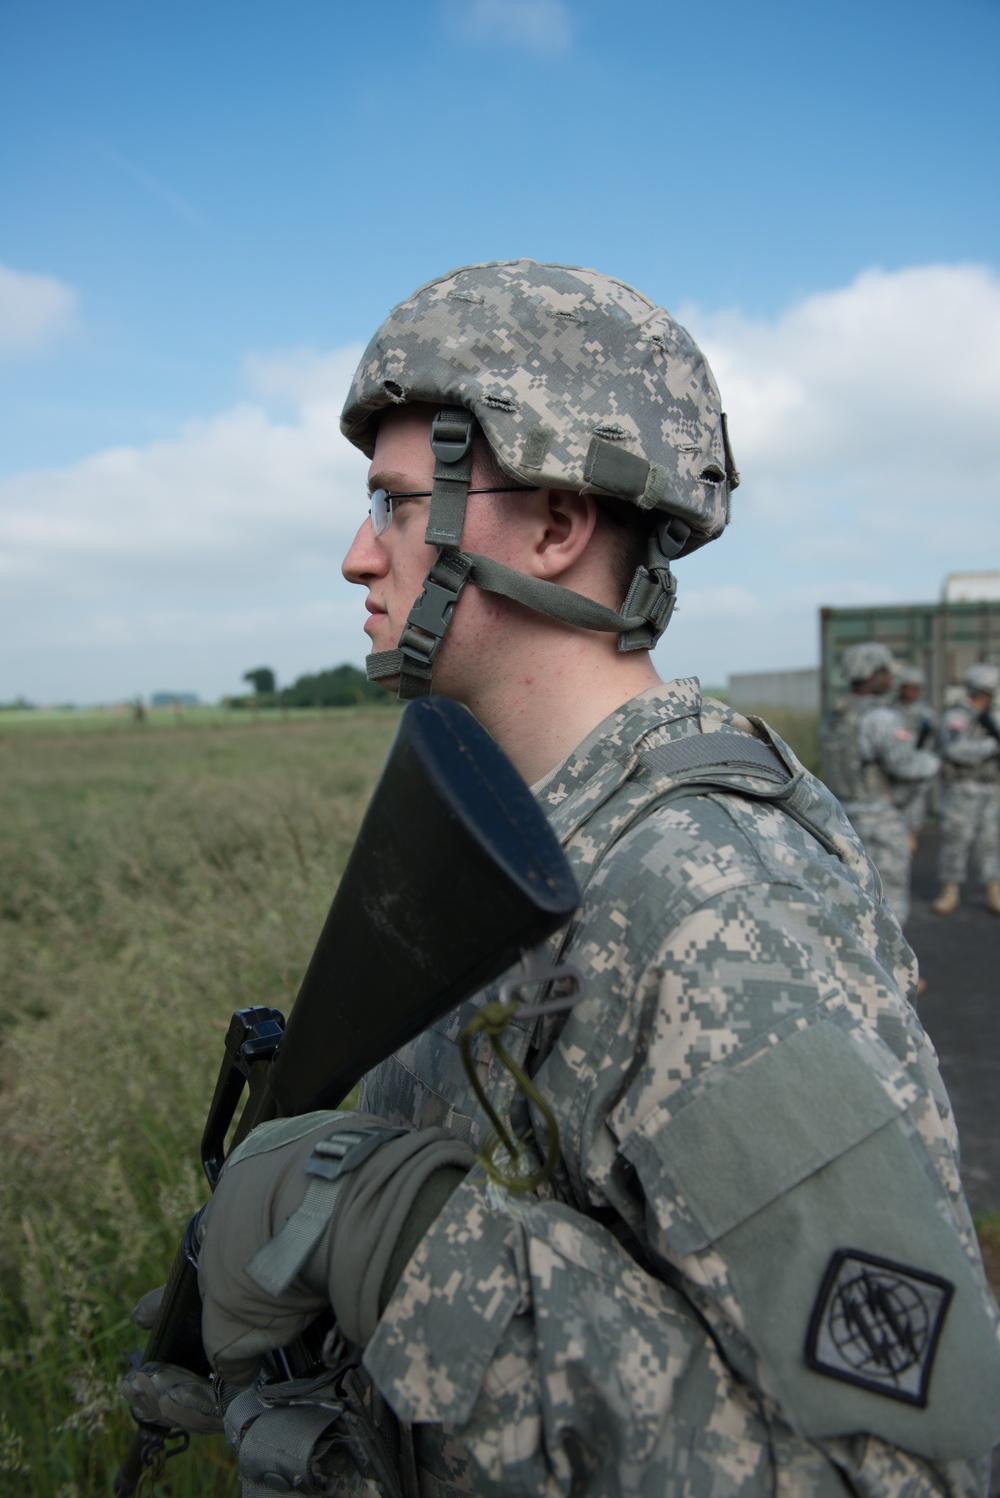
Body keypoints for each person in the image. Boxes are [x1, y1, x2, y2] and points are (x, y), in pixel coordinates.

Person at [122, 261, 1000, 1495]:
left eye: (392, 504)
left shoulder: (708, 901)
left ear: (553, 525)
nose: (354, 558)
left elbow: (907, 1477)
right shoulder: (529, 831)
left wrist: (393, 1239)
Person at [819, 641, 939, 927]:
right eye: (884, 671)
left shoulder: (835, 717)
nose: (889, 678)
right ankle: (896, 972)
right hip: (880, 819)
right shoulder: (881, 718)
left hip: (841, 818)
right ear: (872, 674)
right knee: (890, 900)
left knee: (851, 900)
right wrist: (933, 761)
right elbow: (905, 765)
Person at [931, 662, 1000, 916]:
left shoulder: (992, 716)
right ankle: (950, 891)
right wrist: (989, 746)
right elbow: (955, 750)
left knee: (990, 842)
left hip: (988, 787)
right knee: (956, 841)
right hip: (962, 788)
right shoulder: (957, 717)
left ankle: (994, 890)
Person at [894, 663, 937, 850]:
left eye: (914, 688)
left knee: (915, 805)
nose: (911, 692)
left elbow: (931, 742)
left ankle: (912, 835)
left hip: (915, 765)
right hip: (895, 765)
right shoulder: (891, 710)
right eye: (907, 688)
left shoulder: (925, 713)